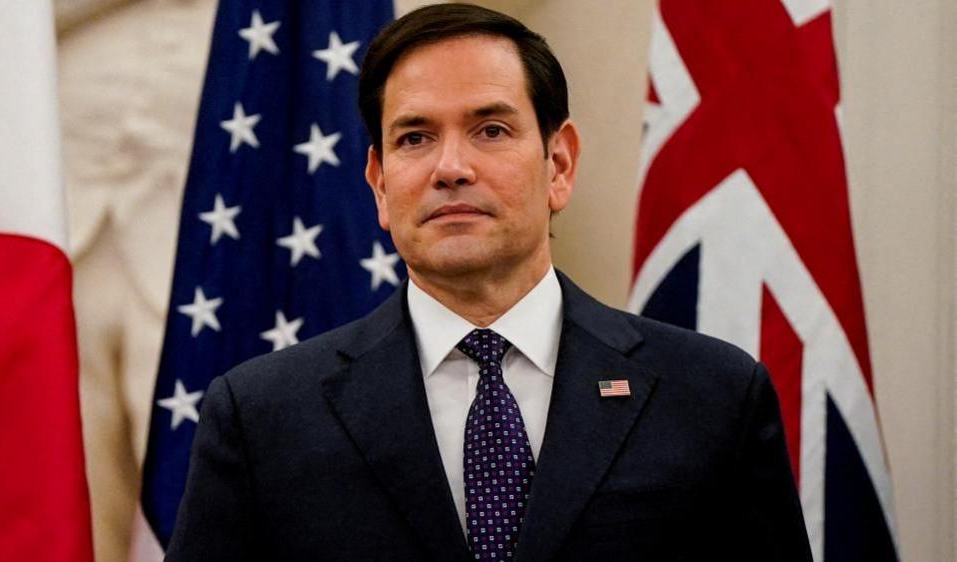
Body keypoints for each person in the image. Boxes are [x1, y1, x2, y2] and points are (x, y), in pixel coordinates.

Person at [166, 4, 812, 561]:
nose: (450, 167)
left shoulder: (711, 397)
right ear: (379, 185)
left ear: (558, 164)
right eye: (414, 137)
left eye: (490, 130)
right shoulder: (261, 417)